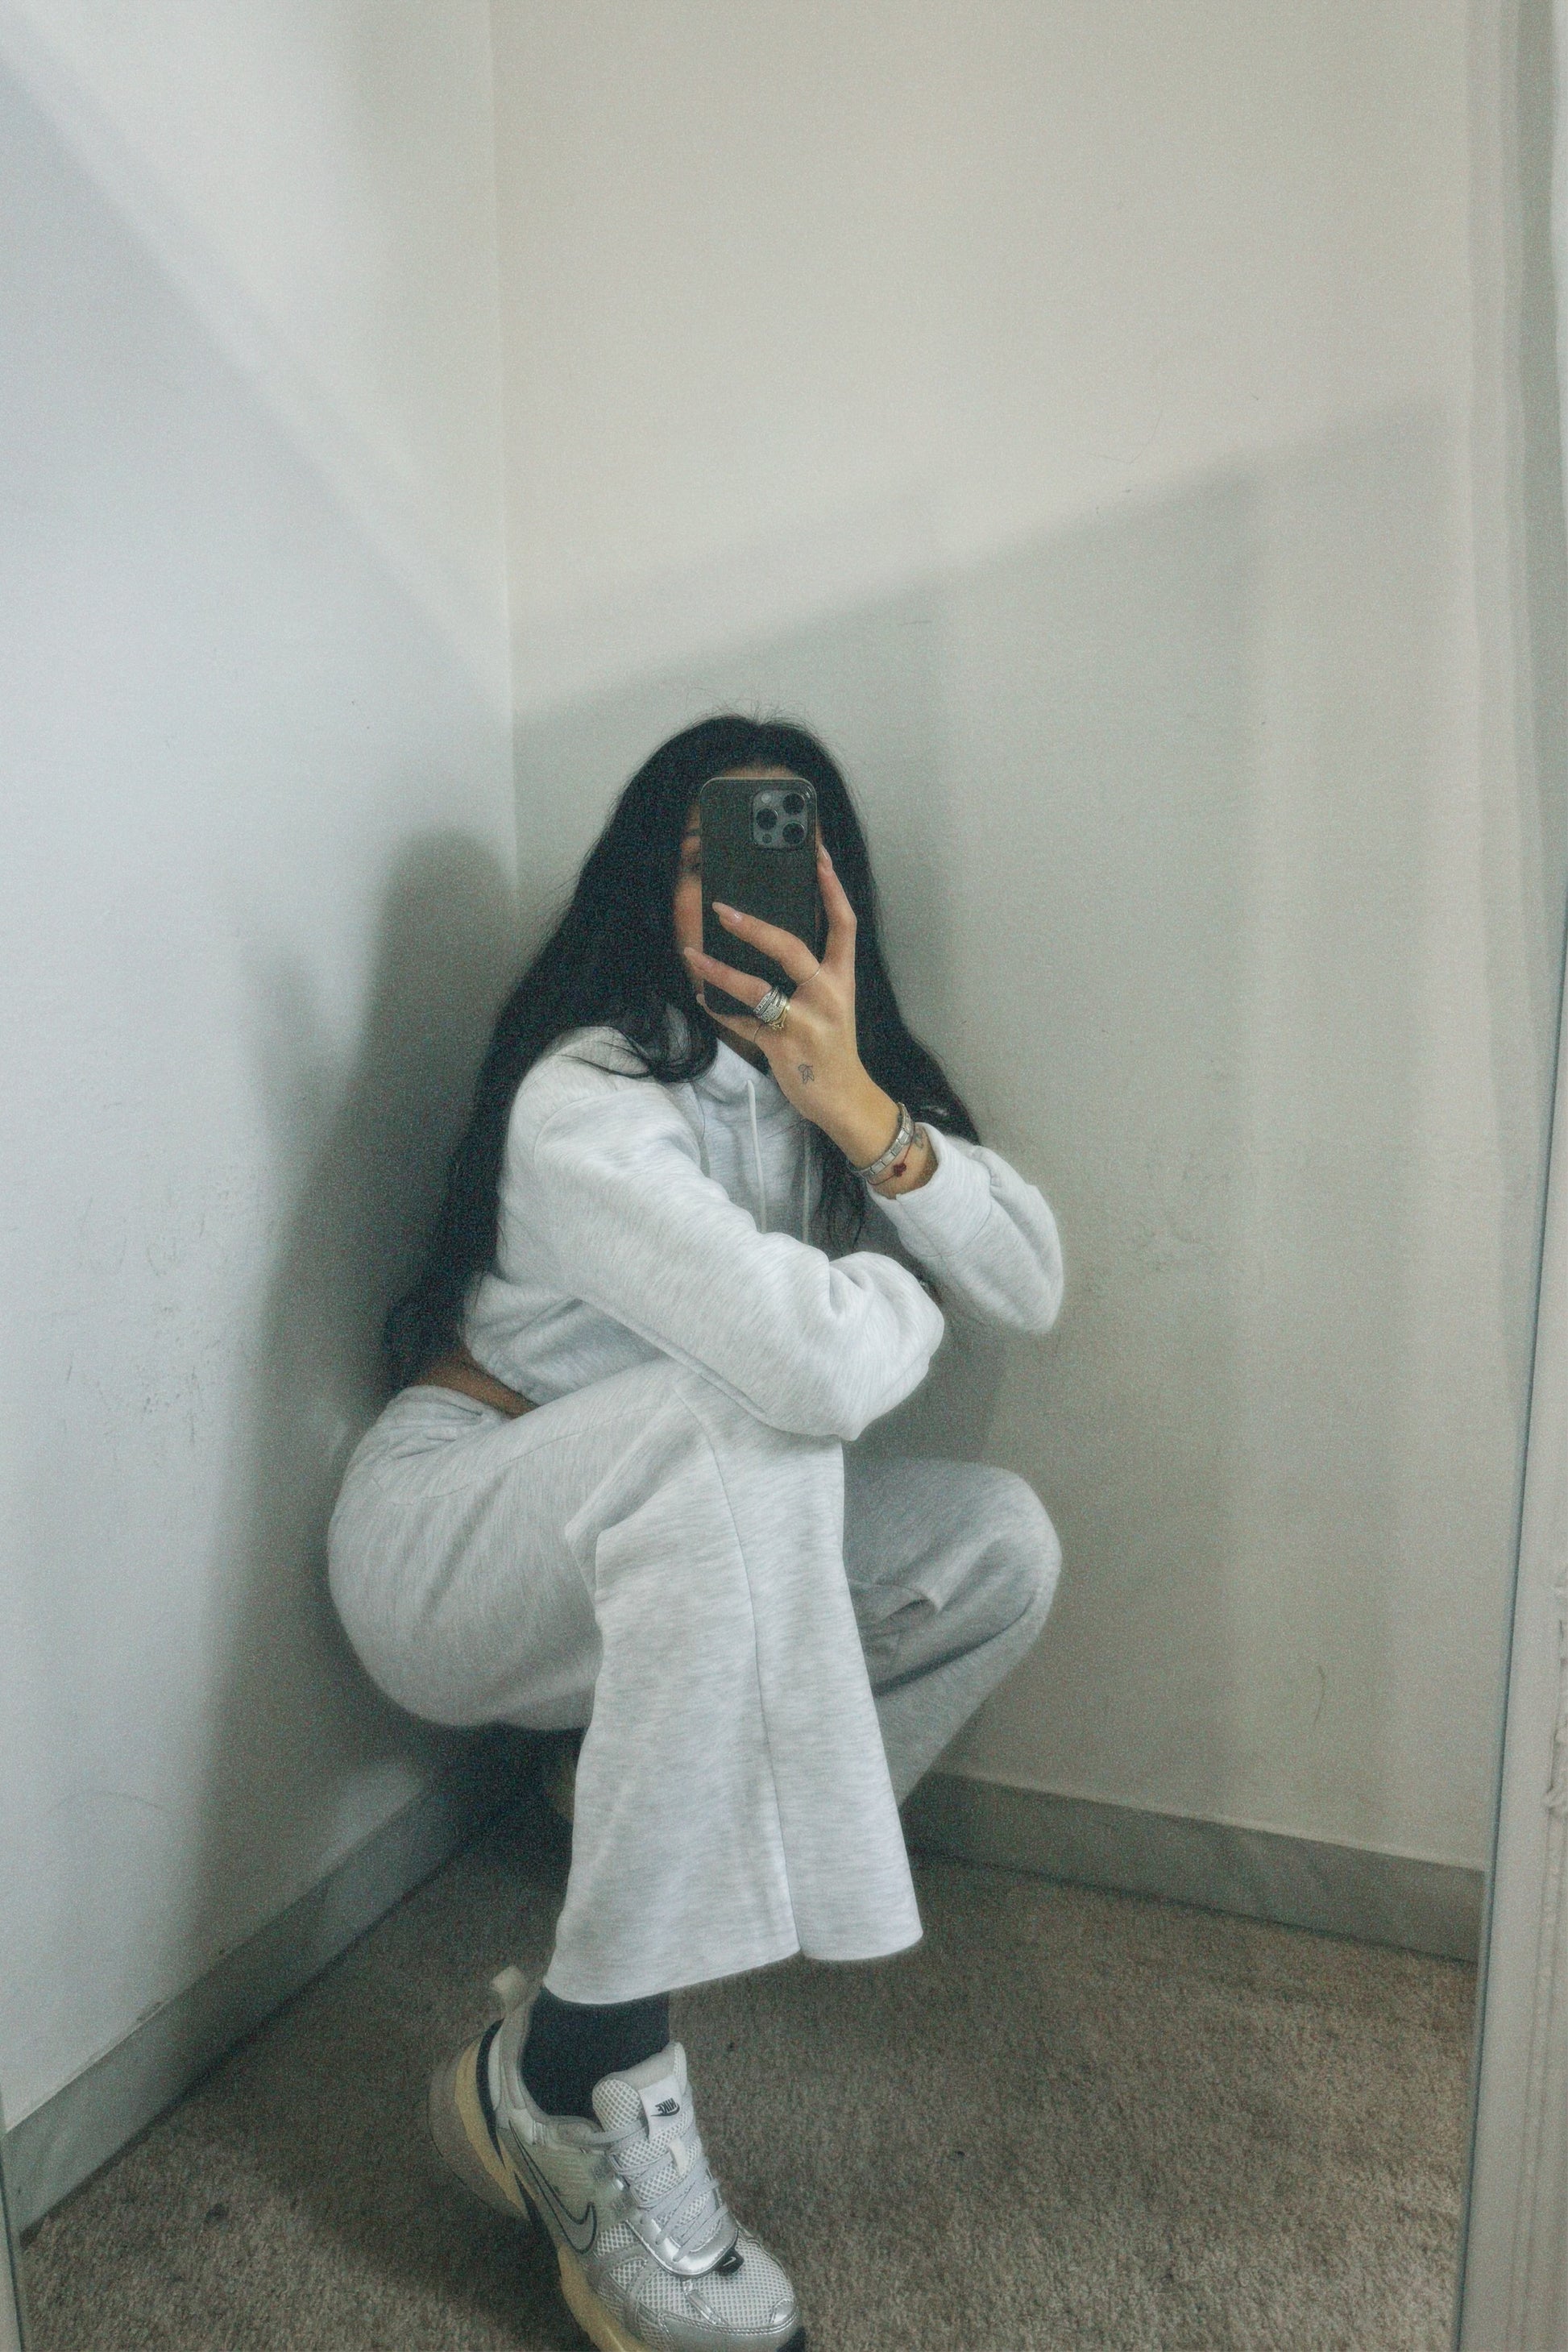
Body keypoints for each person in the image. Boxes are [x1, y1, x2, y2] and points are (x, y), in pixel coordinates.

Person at [326, 716, 1064, 2352]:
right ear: (641, 892)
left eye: (789, 862)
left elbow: (1029, 1277)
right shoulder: (588, 1091)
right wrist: (885, 1290)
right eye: (694, 860)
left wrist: (863, 1109)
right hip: (453, 1535)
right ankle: (577, 2072)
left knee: (997, 1541)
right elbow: (809, 1368)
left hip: (652, 1546)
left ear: (839, 899)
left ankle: (620, 1876)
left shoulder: (826, 1092)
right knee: (751, 1417)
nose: (735, 896)